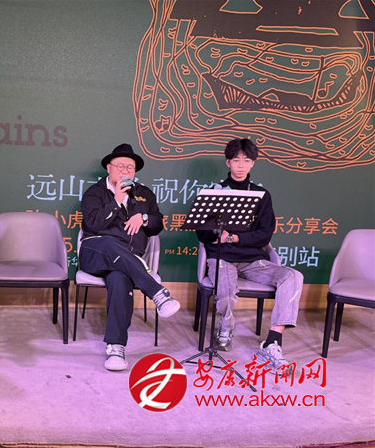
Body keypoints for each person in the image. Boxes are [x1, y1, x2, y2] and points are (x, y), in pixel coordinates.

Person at [196, 138, 303, 373]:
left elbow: (265, 235)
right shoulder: (214, 192)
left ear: (253, 163)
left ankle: (273, 341)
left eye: (246, 160)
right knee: (225, 286)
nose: (241, 165)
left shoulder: (262, 195)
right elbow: (201, 233)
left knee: (293, 276)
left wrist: (234, 237)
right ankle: (226, 325)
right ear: (228, 162)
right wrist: (215, 233)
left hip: (254, 261)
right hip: (222, 258)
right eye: (236, 160)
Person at [80, 143, 180, 371]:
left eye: (130, 168)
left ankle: (116, 347)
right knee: (109, 242)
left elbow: (157, 224)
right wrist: (116, 201)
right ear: (109, 168)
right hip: (95, 252)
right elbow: (93, 224)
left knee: (119, 278)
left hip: (126, 261)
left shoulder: (144, 194)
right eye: (120, 166)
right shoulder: (94, 193)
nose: (125, 171)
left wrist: (144, 218)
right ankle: (157, 292)